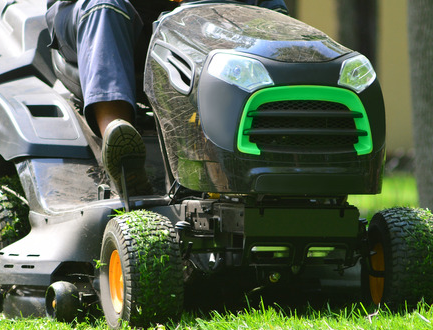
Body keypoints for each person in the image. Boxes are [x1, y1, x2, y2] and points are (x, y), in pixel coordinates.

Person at [45, 0, 289, 195]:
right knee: (105, 7)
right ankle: (119, 145)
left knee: (266, 16)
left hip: (187, 18)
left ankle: (261, 152)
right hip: (100, 16)